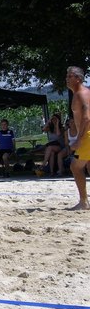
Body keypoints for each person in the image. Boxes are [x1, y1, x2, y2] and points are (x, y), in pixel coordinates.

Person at [66, 66, 90, 210]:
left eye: (70, 76)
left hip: (87, 135)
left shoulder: (80, 94)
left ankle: (83, 201)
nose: (67, 79)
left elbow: (87, 118)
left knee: (75, 166)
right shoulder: (85, 92)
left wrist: (79, 139)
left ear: (78, 78)